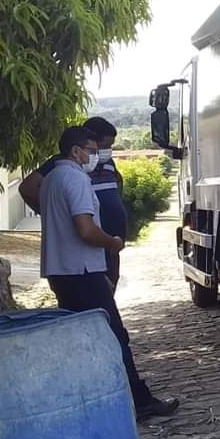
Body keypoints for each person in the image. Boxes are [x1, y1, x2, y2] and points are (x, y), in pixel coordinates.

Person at [39, 126, 178, 419]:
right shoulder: (75, 179)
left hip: (62, 272)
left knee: (80, 339)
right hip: (83, 271)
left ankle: (91, 400)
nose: (96, 157)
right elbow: (86, 229)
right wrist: (112, 243)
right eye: (91, 151)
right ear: (75, 151)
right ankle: (139, 402)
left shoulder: (51, 178)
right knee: (114, 336)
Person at [20, 117, 128, 289]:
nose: (106, 152)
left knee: (107, 295)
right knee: (97, 305)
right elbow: (28, 187)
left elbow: (117, 183)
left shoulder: (106, 163)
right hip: (87, 247)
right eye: (103, 146)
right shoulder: (66, 167)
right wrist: (57, 216)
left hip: (107, 244)